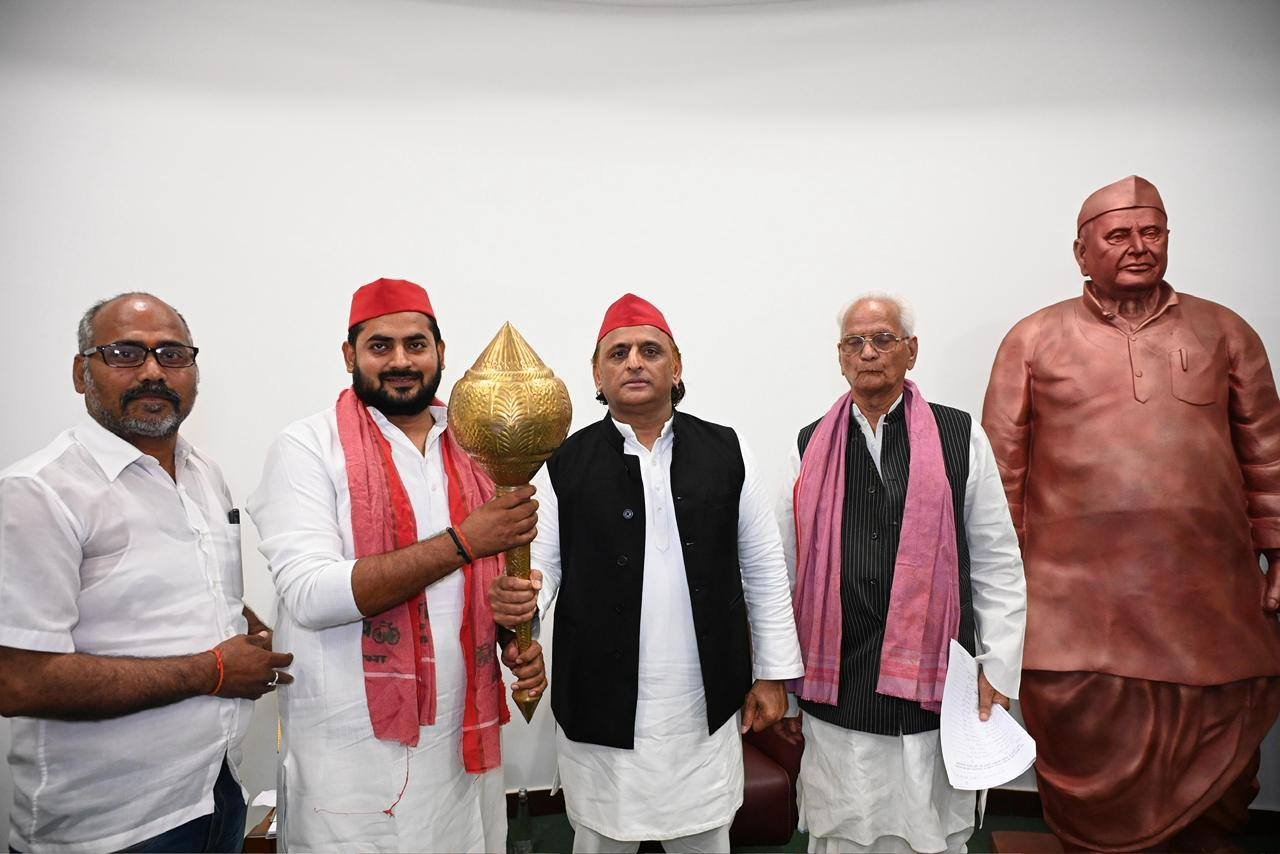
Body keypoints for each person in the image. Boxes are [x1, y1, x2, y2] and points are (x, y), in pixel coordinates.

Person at [982, 175, 1280, 851]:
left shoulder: (1225, 331)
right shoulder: (1034, 339)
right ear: (1081, 252)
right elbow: (998, 476)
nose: (1139, 247)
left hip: (1208, 598)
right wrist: (996, 586)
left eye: (1152, 232)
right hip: (1076, 603)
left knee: (1223, 746)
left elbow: (1267, 450)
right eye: (1118, 235)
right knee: (1078, 728)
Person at [489, 293, 803, 853]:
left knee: (705, 836)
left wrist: (773, 674)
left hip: (701, 703)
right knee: (601, 837)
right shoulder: (563, 462)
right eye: (618, 353)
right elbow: (543, 567)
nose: (634, 362)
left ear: (676, 367)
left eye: (650, 351)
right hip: (599, 705)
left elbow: (763, 567)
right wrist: (525, 604)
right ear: (597, 374)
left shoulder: (728, 450)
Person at [246, 277, 546, 853]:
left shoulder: (478, 445)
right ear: (349, 355)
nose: (401, 361)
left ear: (441, 352)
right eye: (380, 346)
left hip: (462, 743)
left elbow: (507, 574)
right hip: (353, 752)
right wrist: (464, 542)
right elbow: (312, 595)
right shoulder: (307, 446)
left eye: (416, 344)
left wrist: (516, 625)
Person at [0, 293, 290, 853]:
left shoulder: (203, 472)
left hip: (217, 794)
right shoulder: (39, 491)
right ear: (81, 373)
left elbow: (183, 588)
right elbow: (19, 680)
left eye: (172, 355)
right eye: (125, 353)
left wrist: (245, 625)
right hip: (112, 828)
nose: (154, 371)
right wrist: (212, 671)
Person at [776, 293, 1026, 853]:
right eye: (855, 342)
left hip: (935, 683)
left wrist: (999, 667)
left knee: (931, 829)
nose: (868, 352)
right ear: (841, 357)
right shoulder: (809, 443)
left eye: (883, 339)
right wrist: (784, 684)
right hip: (838, 681)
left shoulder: (960, 435)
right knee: (843, 827)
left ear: (911, 351)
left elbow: (996, 561)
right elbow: (788, 571)